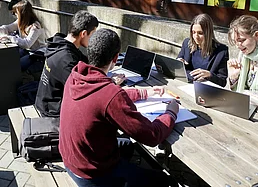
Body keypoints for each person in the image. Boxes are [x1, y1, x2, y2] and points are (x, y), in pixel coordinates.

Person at [59, 28, 179, 187]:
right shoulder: (110, 94)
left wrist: (144, 92)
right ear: (115, 58)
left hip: (72, 160)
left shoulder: (76, 75)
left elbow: (106, 97)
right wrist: (171, 113)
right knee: (165, 181)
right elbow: (151, 135)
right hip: (92, 174)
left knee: (128, 146)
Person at [35, 10, 99, 117]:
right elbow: (84, 90)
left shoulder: (59, 43)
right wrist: (112, 82)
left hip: (44, 101)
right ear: (83, 33)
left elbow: (87, 64)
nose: (93, 40)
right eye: (92, 35)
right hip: (53, 111)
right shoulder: (66, 59)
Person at [177, 13, 228, 87]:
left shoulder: (221, 51)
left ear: (208, 33)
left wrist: (209, 75)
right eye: (193, 32)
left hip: (206, 90)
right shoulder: (187, 43)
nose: (196, 37)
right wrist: (179, 63)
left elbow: (222, 82)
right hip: (185, 85)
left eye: (200, 33)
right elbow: (178, 66)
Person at [0, 0, 46, 72]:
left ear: (22, 14)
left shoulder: (35, 26)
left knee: (17, 65)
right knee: (9, 59)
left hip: (36, 53)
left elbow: (27, 44)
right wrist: (2, 30)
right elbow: (8, 28)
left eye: (16, 13)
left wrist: (10, 37)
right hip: (26, 51)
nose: (15, 15)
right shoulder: (20, 22)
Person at [227, 15, 258, 93]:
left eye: (241, 40)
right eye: (235, 41)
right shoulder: (243, 56)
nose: (238, 45)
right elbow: (240, 94)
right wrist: (234, 77)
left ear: (256, 35)